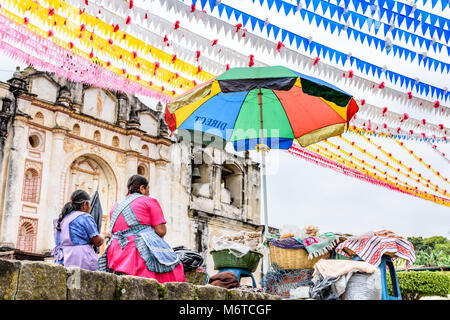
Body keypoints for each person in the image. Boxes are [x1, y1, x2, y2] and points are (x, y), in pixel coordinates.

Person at [99, 174, 185, 282]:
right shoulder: (148, 201)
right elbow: (161, 231)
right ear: (142, 188)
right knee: (175, 267)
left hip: (116, 253)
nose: (149, 193)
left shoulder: (116, 206)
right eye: (148, 189)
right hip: (137, 252)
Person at [52, 190, 110, 271]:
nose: (90, 207)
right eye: (89, 204)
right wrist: (104, 235)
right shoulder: (85, 217)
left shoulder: (60, 219)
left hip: (62, 259)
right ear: (84, 205)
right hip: (81, 260)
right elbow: (97, 242)